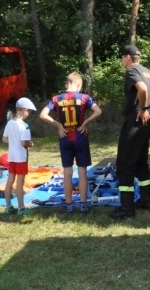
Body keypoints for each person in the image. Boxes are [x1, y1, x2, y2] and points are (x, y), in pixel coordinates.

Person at [110, 44, 150, 219]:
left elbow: (143, 89)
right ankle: (146, 199)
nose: (122, 61)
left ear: (128, 57)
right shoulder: (149, 72)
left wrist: (145, 107)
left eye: (122, 58)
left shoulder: (132, 71)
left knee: (125, 165)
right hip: (146, 125)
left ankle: (126, 208)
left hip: (134, 122)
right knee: (140, 163)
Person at [39, 72, 102, 213]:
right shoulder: (85, 98)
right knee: (82, 172)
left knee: (67, 172)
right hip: (80, 136)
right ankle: (83, 204)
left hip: (65, 137)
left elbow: (42, 115)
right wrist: (85, 122)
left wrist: (59, 125)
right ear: (78, 85)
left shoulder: (56, 99)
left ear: (67, 83)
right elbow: (98, 111)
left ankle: (68, 205)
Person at [2, 97, 37, 215]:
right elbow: (23, 143)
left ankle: (8, 206)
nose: (29, 114)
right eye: (29, 111)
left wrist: (13, 141)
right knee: (20, 183)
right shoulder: (24, 126)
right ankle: (21, 208)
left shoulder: (9, 123)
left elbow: (4, 139)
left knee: (10, 181)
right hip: (21, 158)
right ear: (24, 110)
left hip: (11, 157)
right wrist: (30, 144)